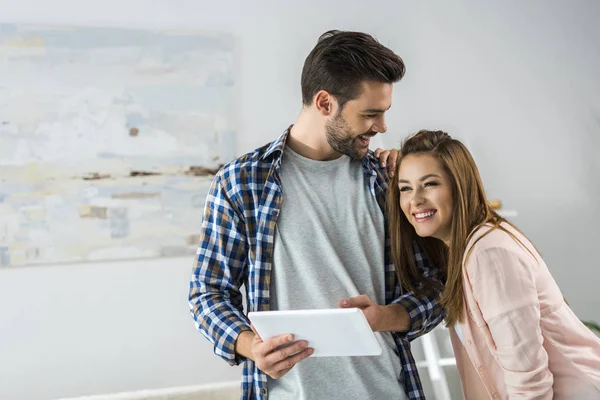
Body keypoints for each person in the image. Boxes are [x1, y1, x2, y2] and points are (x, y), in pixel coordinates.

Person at [189, 31, 445, 400]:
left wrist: (386, 317)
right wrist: (250, 346)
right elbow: (208, 292)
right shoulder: (242, 182)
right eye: (370, 114)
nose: (382, 127)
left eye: (384, 112)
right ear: (325, 102)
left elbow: (438, 285)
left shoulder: (389, 180)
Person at [388, 129, 600, 399]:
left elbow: (529, 378)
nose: (415, 199)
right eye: (405, 188)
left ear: (460, 186)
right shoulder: (463, 253)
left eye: (429, 184)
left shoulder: (489, 254)